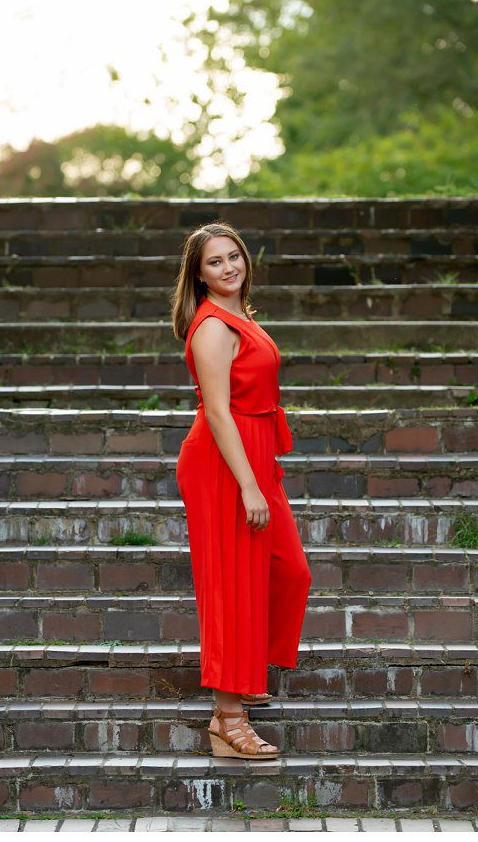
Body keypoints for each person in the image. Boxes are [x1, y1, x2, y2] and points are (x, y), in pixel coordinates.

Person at [172, 222, 311, 759]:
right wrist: (249, 486)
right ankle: (228, 719)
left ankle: (245, 673)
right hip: (223, 463)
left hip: (256, 454)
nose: (229, 267)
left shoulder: (240, 315)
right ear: (198, 274)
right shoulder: (210, 327)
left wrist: (260, 475)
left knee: (289, 571)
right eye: (215, 262)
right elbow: (218, 413)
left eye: (235, 257)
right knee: (232, 587)